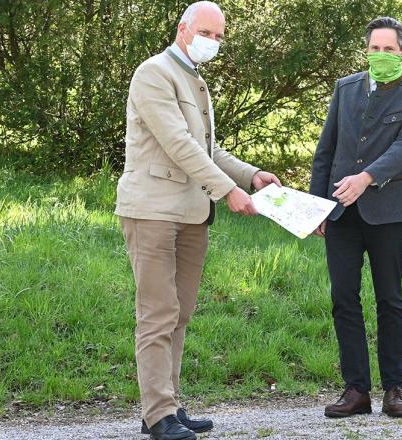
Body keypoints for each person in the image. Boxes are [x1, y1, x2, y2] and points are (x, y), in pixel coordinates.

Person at [115, 2, 281, 439]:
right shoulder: (153, 73)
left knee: (181, 311)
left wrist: (250, 175)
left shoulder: (194, 79)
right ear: (183, 29)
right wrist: (228, 190)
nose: (214, 42)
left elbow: (206, 149)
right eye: (207, 32)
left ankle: (166, 403)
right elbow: (178, 144)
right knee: (157, 313)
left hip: (191, 212)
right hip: (152, 209)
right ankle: (158, 414)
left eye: (220, 36)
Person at [309, 16, 402, 419]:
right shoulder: (345, 89)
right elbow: (325, 149)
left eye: (389, 49)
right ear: (367, 51)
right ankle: (356, 390)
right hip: (342, 212)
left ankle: (394, 389)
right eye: (374, 48)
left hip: (389, 212)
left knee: (390, 299)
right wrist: (316, 207)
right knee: (344, 298)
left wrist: (366, 178)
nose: (381, 55)